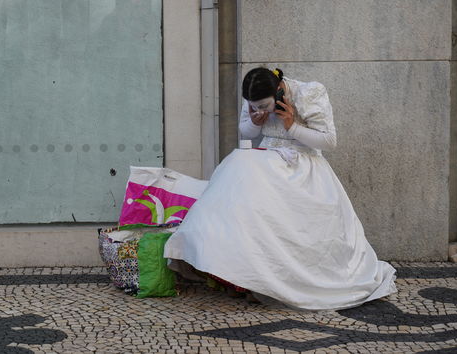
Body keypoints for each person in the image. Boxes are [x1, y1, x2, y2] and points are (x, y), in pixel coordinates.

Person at [163, 68, 397, 310]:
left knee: (278, 224)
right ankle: (239, 279)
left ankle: (271, 284)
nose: (260, 109)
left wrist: (292, 125)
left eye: (264, 105)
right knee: (239, 202)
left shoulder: (309, 92)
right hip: (264, 161)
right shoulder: (254, 97)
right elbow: (247, 132)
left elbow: (329, 141)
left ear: (278, 90)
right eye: (255, 106)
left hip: (302, 165)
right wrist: (254, 122)